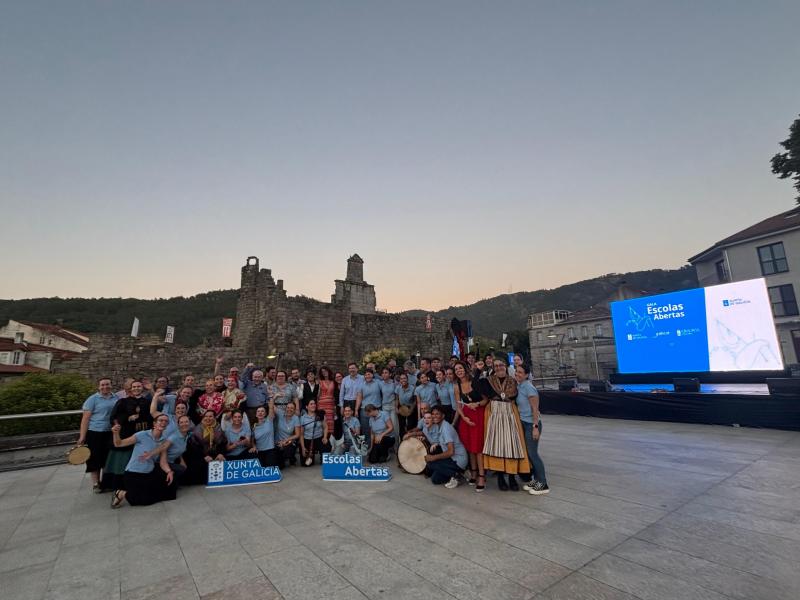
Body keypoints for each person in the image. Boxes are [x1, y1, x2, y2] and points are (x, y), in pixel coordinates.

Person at [482, 359, 530, 491]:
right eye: (496, 366)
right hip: (495, 413)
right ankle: (500, 477)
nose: (498, 368)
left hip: (509, 413)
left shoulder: (513, 381)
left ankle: (512, 477)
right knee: (497, 445)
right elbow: (475, 386)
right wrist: (478, 370)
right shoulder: (488, 381)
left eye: (501, 365)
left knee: (511, 445)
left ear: (506, 366)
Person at [110, 413, 177, 508]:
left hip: (149, 474)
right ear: (154, 423)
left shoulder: (164, 441)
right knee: (144, 500)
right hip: (133, 473)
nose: (163, 423)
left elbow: (163, 462)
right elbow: (119, 444)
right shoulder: (142, 435)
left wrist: (169, 471)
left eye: (166, 421)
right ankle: (120, 493)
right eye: (161, 420)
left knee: (167, 494)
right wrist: (115, 433)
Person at [103, 381, 152, 492]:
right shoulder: (123, 401)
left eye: (138, 386)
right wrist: (127, 418)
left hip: (143, 432)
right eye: (134, 387)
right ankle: (120, 485)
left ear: (142, 388)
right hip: (127, 432)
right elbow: (114, 417)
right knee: (123, 459)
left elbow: (151, 416)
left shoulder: (147, 401)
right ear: (130, 389)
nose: (136, 388)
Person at [77, 377, 118, 492]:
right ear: (98, 387)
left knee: (107, 458)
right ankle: (96, 483)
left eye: (107, 384)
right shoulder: (93, 399)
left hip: (110, 432)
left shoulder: (116, 398)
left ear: (111, 385)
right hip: (95, 433)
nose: (105, 387)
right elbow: (85, 419)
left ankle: (105, 482)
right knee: (94, 458)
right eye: (103, 385)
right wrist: (82, 436)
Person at [515, 365, 549, 495]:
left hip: (531, 424)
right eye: (516, 371)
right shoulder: (520, 386)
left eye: (520, 372)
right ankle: (536, 480)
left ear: (526, 375)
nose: (517, 374)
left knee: (533, 454)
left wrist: (535, 427)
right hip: (524, 422)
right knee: (529, 454)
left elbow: (535, 409)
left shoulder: (529, 388)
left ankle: (543, 483)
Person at [453, 361, 487, 491]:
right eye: (456, 369)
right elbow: (459, 405)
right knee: (470, 447)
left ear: (465, 369)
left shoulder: (475, 382)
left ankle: (482, 476)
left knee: (478, 447)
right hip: (466, 417)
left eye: (460, 368)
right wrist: (464, 418)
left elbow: (485, 399)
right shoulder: (457, 386)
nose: (458, 371)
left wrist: (477, 404)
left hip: (478, 414)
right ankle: (473, 472)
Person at [424, 406, 468, 488]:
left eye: (437, 414)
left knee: (430, 463)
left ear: (443, 416)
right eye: (433, 414)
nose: (434, 416)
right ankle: (456, 474)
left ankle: (457, 475)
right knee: (435, 479)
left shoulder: (446, 428)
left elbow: (451, 452)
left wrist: (434, 457)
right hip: (451, 458)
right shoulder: (439, 426)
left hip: (458, 460)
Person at [183, 410, 227, 485]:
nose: (208, 418)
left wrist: (220, 454)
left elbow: (223, 444)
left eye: (210, 416)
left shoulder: (219, 428)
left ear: (214, 417)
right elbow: (195, 447)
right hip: (201, 455)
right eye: (206, 416)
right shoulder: (197, 429)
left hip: (215, 454)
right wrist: (204, 456)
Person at [299, 399, 331, 466]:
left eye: (314, 404)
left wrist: (325, 437)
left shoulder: (320, 415)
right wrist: (303, 447)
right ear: (307, 407)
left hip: (319, 438)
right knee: (306, 464)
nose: (313, 405)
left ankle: (322, 458)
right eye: (311, 404)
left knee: (327, 447)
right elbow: (301, 435)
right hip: (307, 440)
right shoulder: (302, 418)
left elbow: (325, 427)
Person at [249, 403, 279, 468]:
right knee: (260, 469)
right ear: (256, 414)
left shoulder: (269, 420)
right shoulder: (254, 427)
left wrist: (272, 398)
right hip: (259, 451)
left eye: (262, 411)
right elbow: (252, 441)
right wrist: (254, 446)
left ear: (265, 414)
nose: (260, 413)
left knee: (271, 470)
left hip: (270, 450)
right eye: (258, 411)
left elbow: (271, 408)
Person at [276, 402, 301, 467]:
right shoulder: (280, 414)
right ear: (285, 408)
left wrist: (286, 440)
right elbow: (271, 406)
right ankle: (283, 459)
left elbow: (297, 434)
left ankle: (291, 458)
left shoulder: (296, 418)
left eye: (292, 408)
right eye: (288, 407)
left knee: (288, 450)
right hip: (278, 442)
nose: (289, 409)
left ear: (295, 410)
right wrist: (274, 397)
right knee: (280, 466)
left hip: (289, 441)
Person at [378, 367, 399, 443]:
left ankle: (396, 447)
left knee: (394, 426)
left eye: (386, 372)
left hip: (392, 406)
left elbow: (397, 396)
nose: (384, 374)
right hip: (384, 407)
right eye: (383, 373)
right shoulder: (380, 383)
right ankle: (388, 448)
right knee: (386, 427)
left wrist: (396, 407)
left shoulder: (394, 383)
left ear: (390, 374)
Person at [359, 369, 381, 438]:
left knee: (378, 428)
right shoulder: (361, 385)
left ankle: (376, 445)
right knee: (366, 429)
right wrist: (356, 409)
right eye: (366, 375)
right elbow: (359, 397)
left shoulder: (378, 382)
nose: (367, 376)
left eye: (369, 374)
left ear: (372, 375)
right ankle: (367, 446)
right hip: (365, 410)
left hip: (376, 409)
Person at [317, 366, 337, 441]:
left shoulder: (333, 382)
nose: (324, 373)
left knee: (331, 423)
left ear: (328, 371)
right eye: (322, 372)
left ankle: (330, 442)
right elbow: (318, 395)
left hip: (330, 405)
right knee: (323, 422)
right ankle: (322, 441)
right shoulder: (320, 382)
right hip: (322, 405)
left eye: (325, 371)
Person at [396, 373, 417, 438]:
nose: (403, 380)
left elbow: (415, 401)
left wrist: (411, 410)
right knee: (401, 426)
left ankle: (411, 442)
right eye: (401, 379)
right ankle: (403, 443)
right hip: (402, 409)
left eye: (404, 378)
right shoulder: (398, 388)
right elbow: (396, 398)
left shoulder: (412, 388)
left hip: (411, 408)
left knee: (410, 426)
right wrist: (396, 408)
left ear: (407, 379)